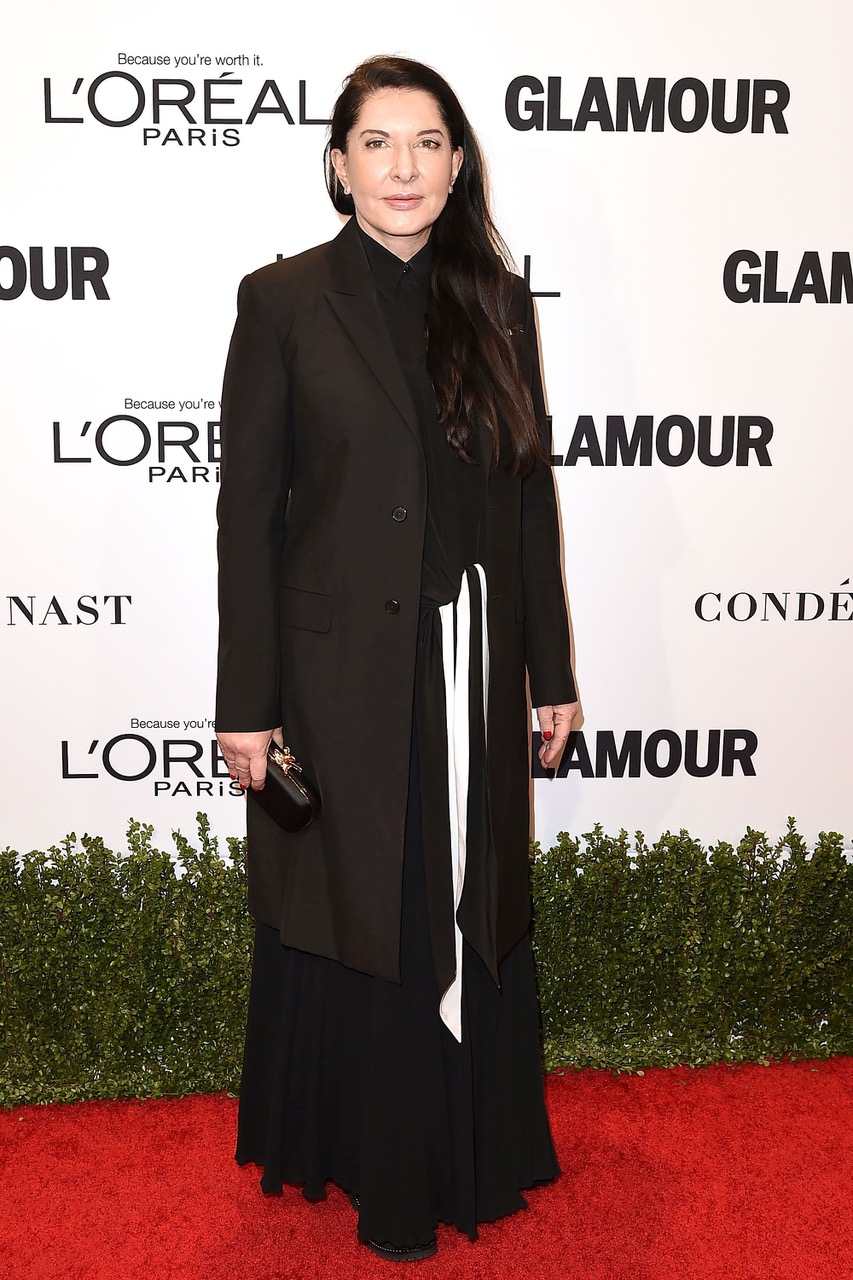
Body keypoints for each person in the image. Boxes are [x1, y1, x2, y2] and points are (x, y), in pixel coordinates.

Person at [215, 54, 579, 1263]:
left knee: (462, 898)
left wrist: (551, 668)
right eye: (377, 143)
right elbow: (249, 516)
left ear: (459, 161)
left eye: (426, 142)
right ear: (337, 164)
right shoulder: (279, 301)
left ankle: (465, 1145)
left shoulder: (499, 301)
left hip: (472, 672)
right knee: (362, 904)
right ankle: (353, 1148)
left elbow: (527, 502)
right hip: (335, 682)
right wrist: (248, 705)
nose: (403, 166)